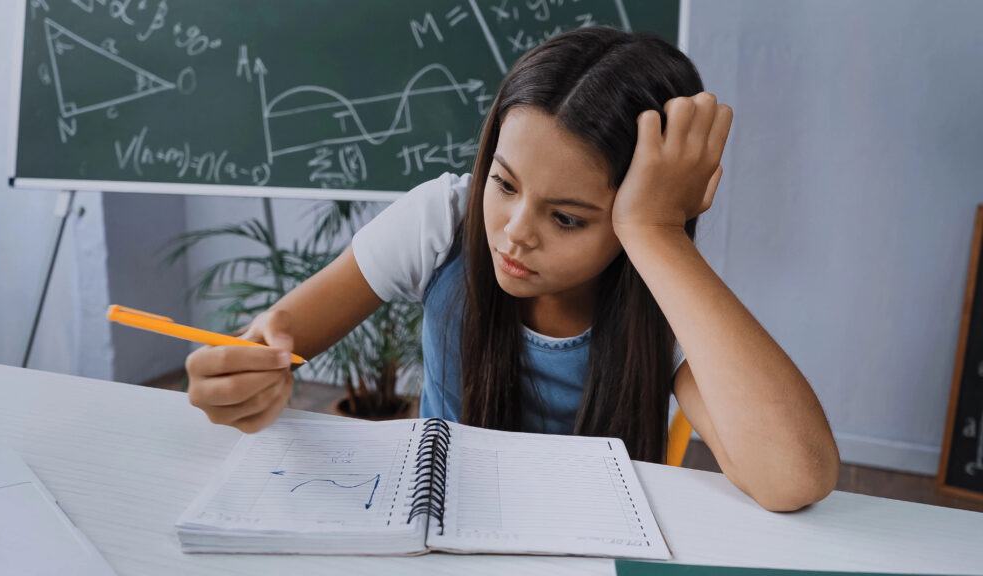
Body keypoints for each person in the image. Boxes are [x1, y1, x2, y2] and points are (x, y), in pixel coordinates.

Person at [184, 27, 839, 511]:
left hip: (589, 541)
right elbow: (275, 338)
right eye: (503, 183)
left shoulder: (660, 288)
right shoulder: (443, 220)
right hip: (437, 527)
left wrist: (656, 234)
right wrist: (246, 373)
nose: (515, 233)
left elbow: (794, 477)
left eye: (568, 218)